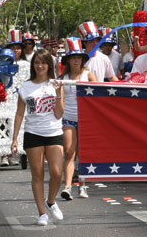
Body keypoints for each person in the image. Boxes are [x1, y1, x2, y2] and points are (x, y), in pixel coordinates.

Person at [11, 50, 65, 226]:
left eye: (43, 62)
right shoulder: (25, 87)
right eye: (36, 63)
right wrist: (14, 139)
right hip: (33, 133)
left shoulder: (56, 84)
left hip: (54, 133)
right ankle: (42, 213)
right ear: (33, 66)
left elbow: (59, 114)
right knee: (38, 173)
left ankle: (51, 201)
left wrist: (57, 93)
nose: (40, 66)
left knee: (57, 173)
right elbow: (19, 113)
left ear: (50, 65)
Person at [59, 37, 97, 201]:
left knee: (83, 154)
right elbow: (58, 100)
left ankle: (83, 185)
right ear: (68, 60)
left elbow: (98, 97)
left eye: (78, 57)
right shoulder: (63, 78)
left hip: (85, 119)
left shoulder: (88, 75)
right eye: (73, 57)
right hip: (68, 118)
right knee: (69, 152)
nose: (76, 60)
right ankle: (67, 186)